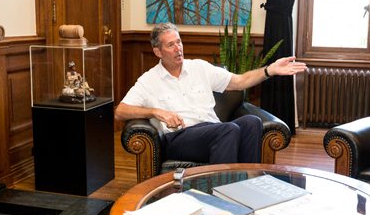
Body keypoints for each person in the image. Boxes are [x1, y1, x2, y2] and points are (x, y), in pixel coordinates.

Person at [115, 22, 307, 164]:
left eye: (179, 42)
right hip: (179, 138)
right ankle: (222, 195)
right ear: (158, 52)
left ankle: (249, 184)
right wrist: (156, 112)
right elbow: (120, 111)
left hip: (213, 130)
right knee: (229, 129)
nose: (178, 48)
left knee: (252, 122)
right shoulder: (149, 80)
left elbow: (240, 82)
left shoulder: (200, 68)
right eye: (171, 45)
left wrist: (270, 70)